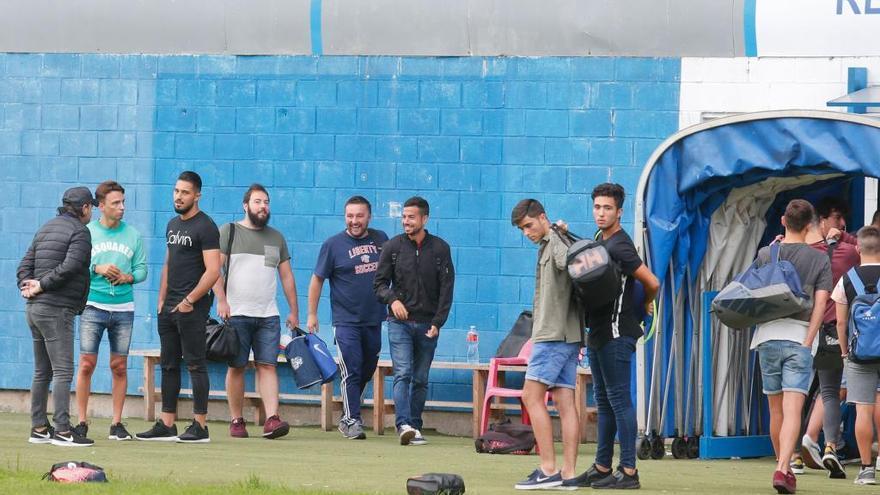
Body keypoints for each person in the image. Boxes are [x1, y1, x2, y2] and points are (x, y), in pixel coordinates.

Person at [749, 199, 832, 494]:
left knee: (776, 411)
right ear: (810, 224)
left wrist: (772, 251)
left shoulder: (765, 253)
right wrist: (809, 340)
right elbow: (821, 304)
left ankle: (781, 466)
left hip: (766, 338)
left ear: (783, 221)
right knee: (793, 409)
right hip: (799, 337)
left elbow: (754, 294)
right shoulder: (820, 259)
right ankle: (783, 468)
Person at [583, 183, 659, 490]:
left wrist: (646, 302)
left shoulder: (621, 246)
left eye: (607, 208)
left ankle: (629, 471)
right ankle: (602, 467)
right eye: (597, 207)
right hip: (598, 332)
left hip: (617, 333)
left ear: (619, 212)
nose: (601, 213)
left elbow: (652, 281)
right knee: (603, 401)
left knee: (618, 400)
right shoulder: (600, 239)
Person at [136, 171, 220, 443]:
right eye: (176, 191)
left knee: (196, 364)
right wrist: (162, 300)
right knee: (169, 365)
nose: (179, 196)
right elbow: (169, 263)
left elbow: (213, 271)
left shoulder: (206, 226)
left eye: (185, 192)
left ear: (197, 195)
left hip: (192, 308)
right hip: (169, 308)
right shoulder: (172, 225)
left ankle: (200, 426)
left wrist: (189, 300)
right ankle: (167, 424)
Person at [509, 199, 585, 490]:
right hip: (568, 335)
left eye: (529, 225)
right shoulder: (553, 240)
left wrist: (558, 232)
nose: (526, 232)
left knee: (531, 396)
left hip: (553, 335)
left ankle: (549, 468)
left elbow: (572, 265)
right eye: (522, 228)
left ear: (542, 217)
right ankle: (568, 473)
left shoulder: (555, 242)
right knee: (564, 402)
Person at [211, 184, 297, 439]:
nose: (263, 206)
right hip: (236, 313)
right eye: (258, 201)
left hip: (268, 315)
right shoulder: (230, 231)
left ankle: (272, 419)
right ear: (246, 205)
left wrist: (294, 311)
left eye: (266, 202)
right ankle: (237, 421)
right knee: (237, 366)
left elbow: (287, 277)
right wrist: (222, 301)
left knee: (267, 365)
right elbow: (215, 270)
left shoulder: (276, 238)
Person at [18, 186, 96, 446]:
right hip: (56, 309)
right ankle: (63, 431)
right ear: (84, 207)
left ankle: (39, 427)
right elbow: (72, 266)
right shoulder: (80, 232)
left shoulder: (46, 228)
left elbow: (24, 266)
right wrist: (40, 285)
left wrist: (26, 286)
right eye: (91, 207)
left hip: (35, 310)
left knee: (42, 371)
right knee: (62, 371)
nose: (92, 211)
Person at [373, 196, 454, 446]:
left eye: (411, 217)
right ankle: (403, 424)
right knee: (403, 373)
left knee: (420, 378)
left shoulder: (441, 249)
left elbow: (447, 289)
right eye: (404, 217)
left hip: (428, 325)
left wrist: (438, 322)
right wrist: (392, 300)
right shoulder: (392, 247)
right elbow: (378, 284)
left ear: (424, 219)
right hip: (399, 324)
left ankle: (415, 426)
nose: (406, 221)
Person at [308, 195, 388, 440]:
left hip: (374, 318)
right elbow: (317, 280)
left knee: (367, 367)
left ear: (369, 217)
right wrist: (311, 314)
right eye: (350, 216)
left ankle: (351, 409)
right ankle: (350, 420)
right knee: (351, 369)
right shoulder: (332, 245)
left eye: (359, 216)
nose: (354, 221)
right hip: (345, 321)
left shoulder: (381, 239)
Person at [74, 181, 147, 442]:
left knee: (119, 366)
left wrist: (128, 277)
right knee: (86, 364)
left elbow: (142, 270)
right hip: (93, 305)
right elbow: (77, 265)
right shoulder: (87, 233)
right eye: (116, 203)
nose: (122, 207)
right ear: (101, 206)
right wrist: (98, 268)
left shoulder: (133, 235)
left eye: (123, 202)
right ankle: (81, 422)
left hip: (123, 308)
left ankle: (116, 423)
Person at [790, 206, 859, 478]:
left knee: (794, 394)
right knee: (829, 391)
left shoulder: (795, 254)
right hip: (831, 330)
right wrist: (846, 238)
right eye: (837, 219)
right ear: (819, 223)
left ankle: (792, 456)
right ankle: (829, 445)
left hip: (798, 330)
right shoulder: (845, 252)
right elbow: (870, 249)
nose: (841, 224)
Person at [832, 225, 880, 485]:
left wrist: (844, 353)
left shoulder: (847, 279)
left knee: (863, 409)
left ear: (858, 248)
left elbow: (840, 323)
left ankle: (866, 469)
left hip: (859, 355)